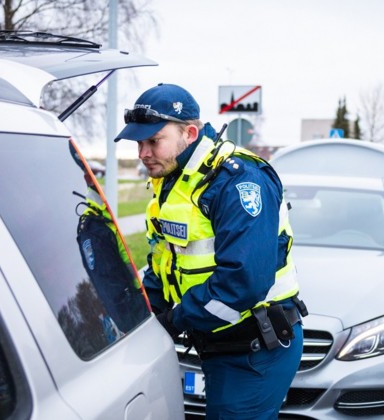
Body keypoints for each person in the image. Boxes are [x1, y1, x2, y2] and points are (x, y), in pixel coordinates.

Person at [116, 83, 306, 419]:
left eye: (153, 141)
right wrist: (143, 312)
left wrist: (174, 320)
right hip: (218, 342)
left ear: (188, 133)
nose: (143, 153)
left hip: (253, 351)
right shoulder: (175, 182)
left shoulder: (237, 181)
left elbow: (242, 283)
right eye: (139, 143)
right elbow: (163, 260)